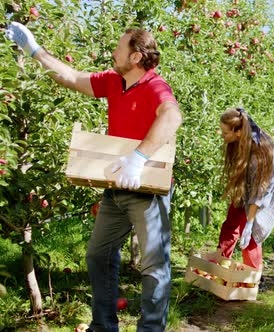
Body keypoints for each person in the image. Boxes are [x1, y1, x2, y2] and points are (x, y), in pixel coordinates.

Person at [6, 22, 182, 331]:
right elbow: (73, 77)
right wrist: (35, 51)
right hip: (116, 187)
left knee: (154, 266)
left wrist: (139, 158)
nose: (114, 52)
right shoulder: (115, 81)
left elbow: (172, 116)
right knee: (98, 255)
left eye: (119, 48)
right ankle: (103, 326)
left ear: (137, 57)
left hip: (147, 188)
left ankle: (151, 328)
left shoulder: (155, 85)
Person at [216, 108, 274, 270]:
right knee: (231, 222)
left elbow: (260, 192)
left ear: (237, 132)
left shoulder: (259, 153)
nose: (222, 135)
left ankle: (250, 279)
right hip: (246, 182)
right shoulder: (242, 140)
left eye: (225, 133)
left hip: (265, 188)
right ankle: (221, 266)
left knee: (251, 235)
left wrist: (249, 222)